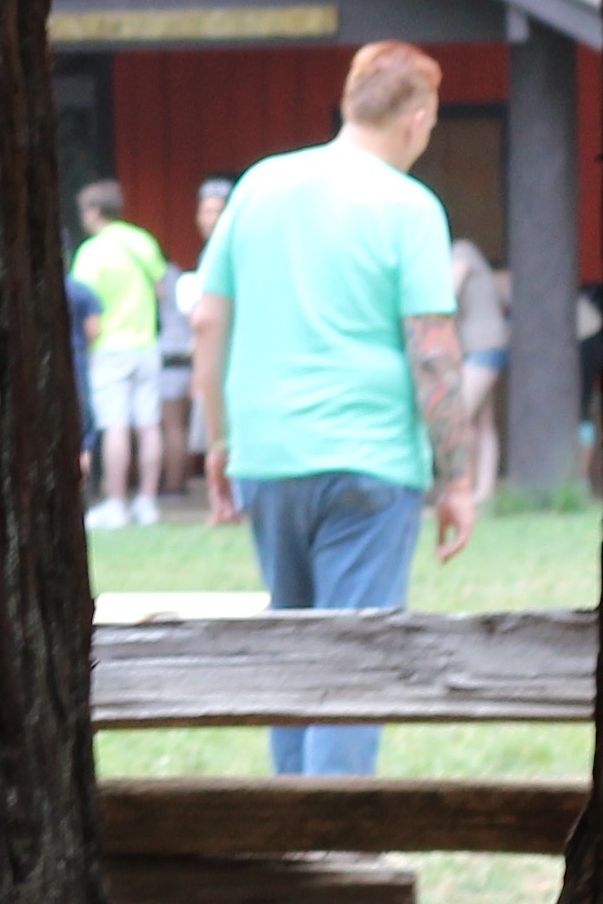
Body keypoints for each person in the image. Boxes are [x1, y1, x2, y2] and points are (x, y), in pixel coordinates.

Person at [192, 43, 481, 776]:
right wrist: (456, 477)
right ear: (417, 120)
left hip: (268, 455)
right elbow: (433, 351)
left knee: (291, 657)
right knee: (353, 667)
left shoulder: (258, 186)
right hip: (370, 459)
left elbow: (206, 322)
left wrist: (219, 441)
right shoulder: (410, 206)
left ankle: (296, 850)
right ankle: (340, 851)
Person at [69, 180, 178, 527]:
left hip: (110, 347)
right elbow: (162, 289)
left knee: (114, 425)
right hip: (146, 343)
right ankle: (147, 501)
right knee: (148, 424)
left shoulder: (91, 252)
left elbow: (87, 309)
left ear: (93, 211)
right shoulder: (141, 240)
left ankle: (115, 502)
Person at [162, 173, 235, 504]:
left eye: (219, 211)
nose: (211, 218)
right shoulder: (209, 257)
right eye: (206, 211)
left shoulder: (233, 254)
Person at [447, 231, 513, 494]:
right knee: (482, 423)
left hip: (482, 346)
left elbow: (447, 294)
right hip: (484, 345)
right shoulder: (465, 253)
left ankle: (460, 489)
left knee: (459, 415)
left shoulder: (461, 251)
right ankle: (482, 491)